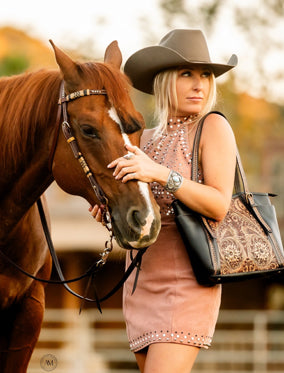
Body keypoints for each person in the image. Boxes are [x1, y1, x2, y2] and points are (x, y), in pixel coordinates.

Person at [90, 29, 237, 373]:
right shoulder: (147, 138)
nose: (199, 84)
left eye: (205, 75)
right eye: (187, 74)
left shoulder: (212, 127)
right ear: (164, 80)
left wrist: (159, 174)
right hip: (141, 281)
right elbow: (143, 212)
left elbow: (218, 205)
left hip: (187, 281)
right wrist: (108, 212)